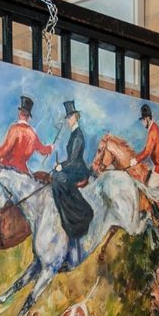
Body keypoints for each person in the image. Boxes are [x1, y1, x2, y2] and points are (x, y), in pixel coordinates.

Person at [49, 100, 94, 243]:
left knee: (58, 179)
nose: (68, 119)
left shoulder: (78, 135)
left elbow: (74, 159)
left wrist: (61, 166)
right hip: (73, 167)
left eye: (70, 117)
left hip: (79, 170)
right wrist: (60, 166)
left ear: (75, 116)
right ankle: (64, 216)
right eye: (67, 117)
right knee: (55, 176)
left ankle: (79, 214)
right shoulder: (74, 134)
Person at [0, 94, 52, 173]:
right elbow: (43, 150)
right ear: (28, 116)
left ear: (19, 113)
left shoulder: (15, 129)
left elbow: (6, 148)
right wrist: (50, 148)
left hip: (7, 169)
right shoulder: (33, 134)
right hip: (22, 172)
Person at [132, 102, 159, 191]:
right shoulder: (153, 127)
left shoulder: (153, 131)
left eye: (143, 120)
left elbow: (147, 151)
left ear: (147, 118)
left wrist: (136, 160)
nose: (142, 123)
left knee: (151, 187)